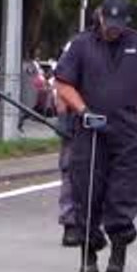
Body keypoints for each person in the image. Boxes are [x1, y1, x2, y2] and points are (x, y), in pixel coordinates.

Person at [54, 0, 137, 272]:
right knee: (87, 191)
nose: (113, 28)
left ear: (126, 21)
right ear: (100, 16)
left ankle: (118, 254)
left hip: (126, 131)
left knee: (123, 193)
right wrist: (83, 111)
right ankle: (88, 252)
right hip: (90, 130)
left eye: (119, 23)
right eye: (109, 21)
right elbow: (63, 84)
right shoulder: (81, 44)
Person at [55, 90, 80, 247]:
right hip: (75, 120)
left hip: (110, 117)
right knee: (70, 171)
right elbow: (63, 85)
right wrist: (63, 117)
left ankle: (107, 222)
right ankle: (70, 223)